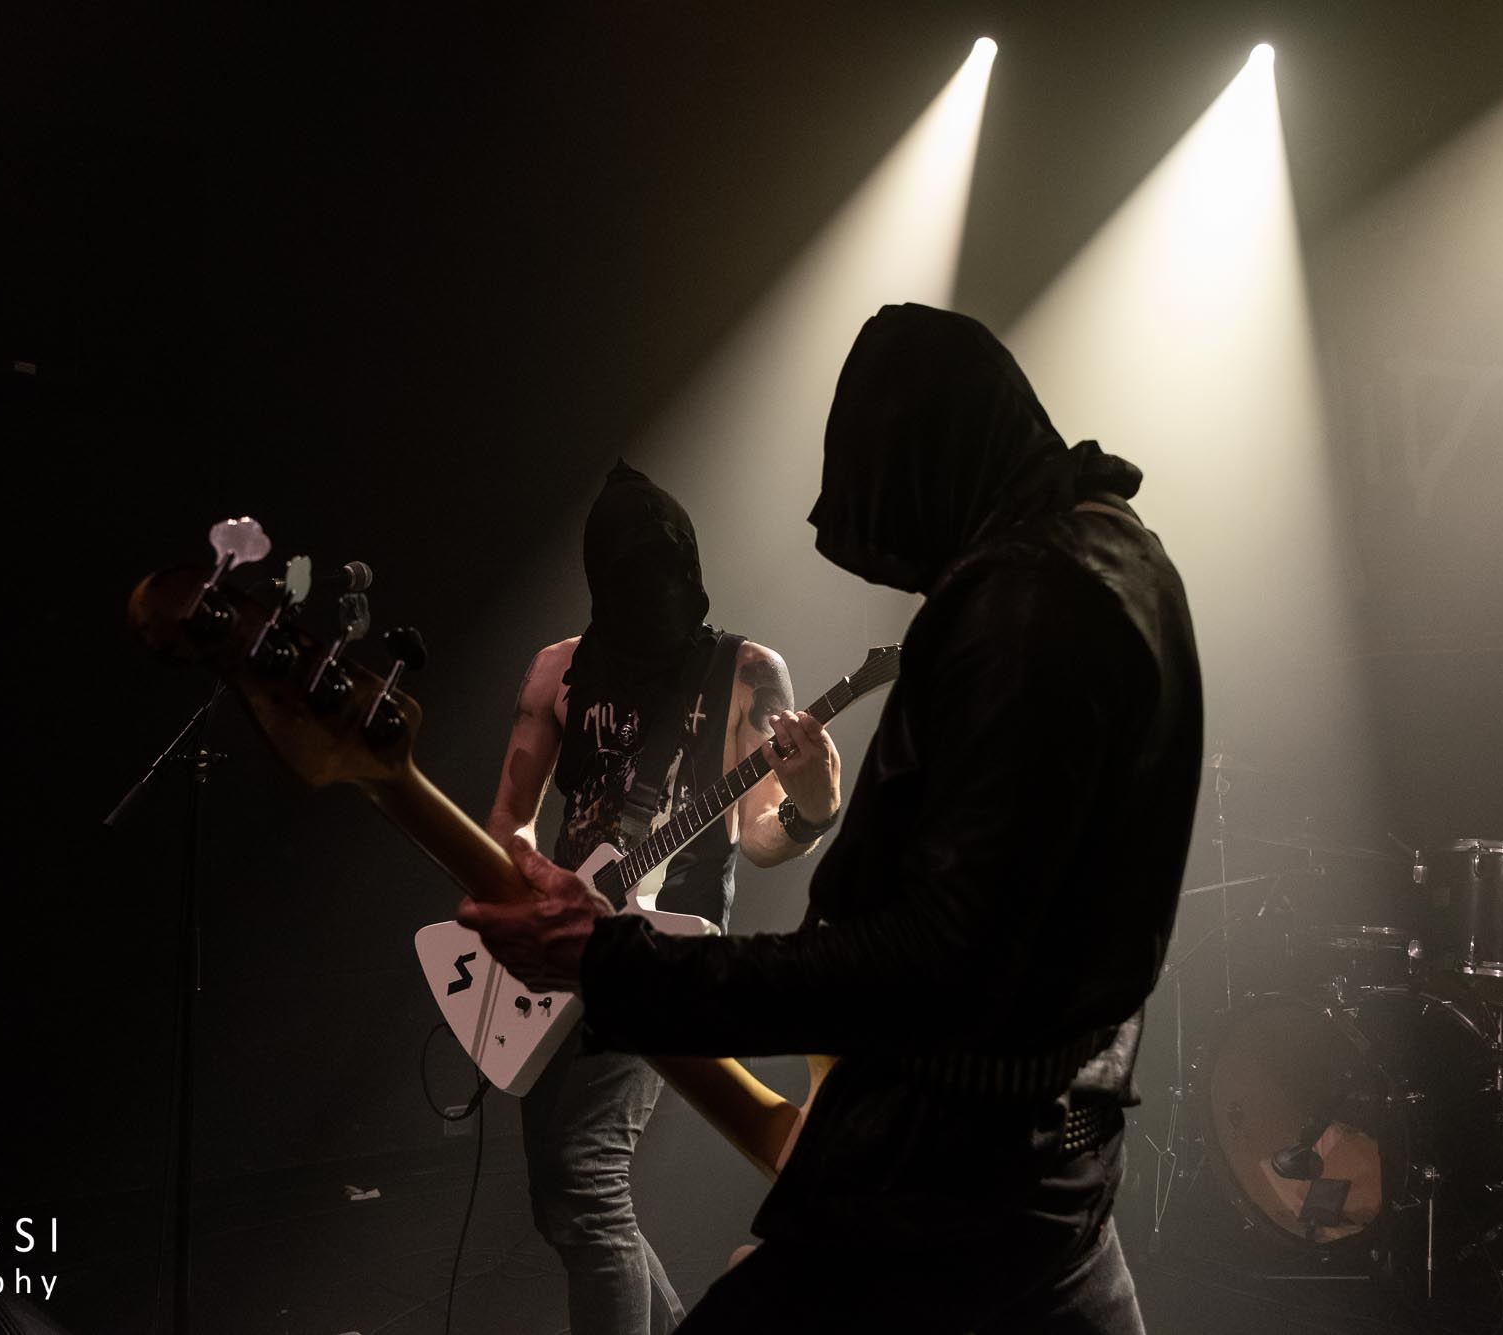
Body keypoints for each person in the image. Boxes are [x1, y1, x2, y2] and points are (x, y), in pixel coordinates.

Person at [463, 303, 1204, 1333]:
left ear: (928, 464)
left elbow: (929, 960)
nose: (913, 578)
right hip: (1041, 1175)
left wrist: (616, 959)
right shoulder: (1118, 559)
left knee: (592, 1195)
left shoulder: (1028, 607)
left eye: (905, 540)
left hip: (942, 1192)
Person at [484, 460, 842, 1335]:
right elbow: (509, 822)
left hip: (672, 951)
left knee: (586, 1176)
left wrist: (813, 806)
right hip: (567, 946)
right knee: (560, 1197)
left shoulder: (745, 671)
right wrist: (532, 892)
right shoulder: (557, 671)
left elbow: (759, 837)